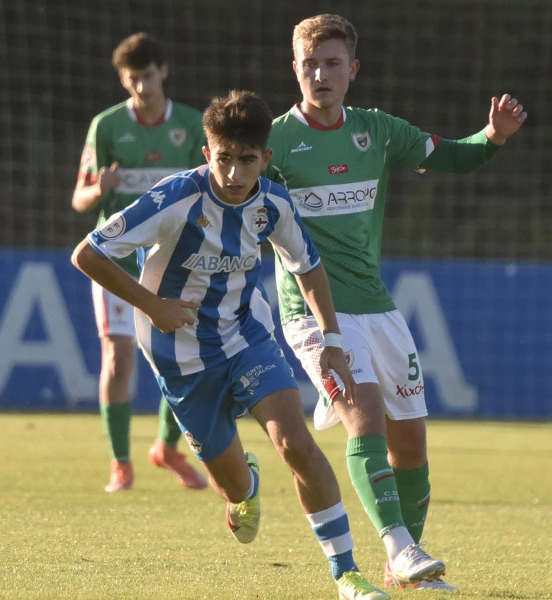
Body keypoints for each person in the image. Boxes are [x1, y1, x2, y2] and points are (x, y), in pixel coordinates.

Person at [73, 89, 396, 600]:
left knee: (296, 444)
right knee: (237, 497)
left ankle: (347, 575)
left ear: (265, 159)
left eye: (247, 161)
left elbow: (307, 267)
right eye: (224, 159)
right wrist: (152, 306)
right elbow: (87, 254)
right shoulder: (174, 198)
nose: (234, 173)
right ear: (207, 153)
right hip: (179, 359)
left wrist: (332, 338)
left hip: (247, 338)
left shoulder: (274, 203)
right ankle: (243, 486)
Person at [266, 14, 529, 592]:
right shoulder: (276, 139)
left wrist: (494, 137)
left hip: (377, 307)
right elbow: (228, 187)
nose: (320, 73)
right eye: (309, 64)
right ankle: (401, 547)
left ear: (353, 70)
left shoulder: (377, 131)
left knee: (410, 439)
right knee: (367, 413)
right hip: (313, 312)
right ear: (295, 70)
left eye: (332, 63)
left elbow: (451, 156)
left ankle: (402, 564)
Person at [72, 32, 208, 493]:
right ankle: (121, 463)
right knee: (119, 356)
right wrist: (100, 189)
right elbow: (80, 199)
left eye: (147, 77)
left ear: (163, 71)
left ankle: (168, 448)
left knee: (182, 357)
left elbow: (206, 193)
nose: (141, 89)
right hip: (116, 263)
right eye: (132, 80)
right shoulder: (107, 127)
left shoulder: (191, 126)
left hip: (174, 263)